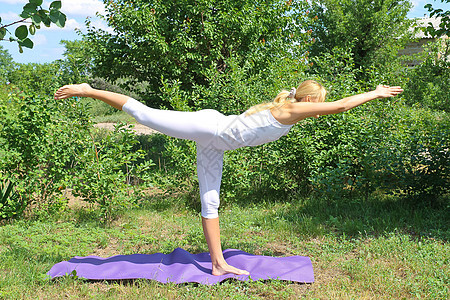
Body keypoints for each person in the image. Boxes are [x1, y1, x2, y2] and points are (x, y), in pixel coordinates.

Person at [54, 80, 403, 276]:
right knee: (145, 114)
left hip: (216, 143)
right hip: (210, 127)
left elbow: (335, 107)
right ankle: (89, 89)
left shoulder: (291, 110)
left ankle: (218, 264)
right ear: (309, 99)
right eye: (318, 102)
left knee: (210, 201)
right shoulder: (293, 108)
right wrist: (375, 93)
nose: (319, 107)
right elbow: (341, 106)